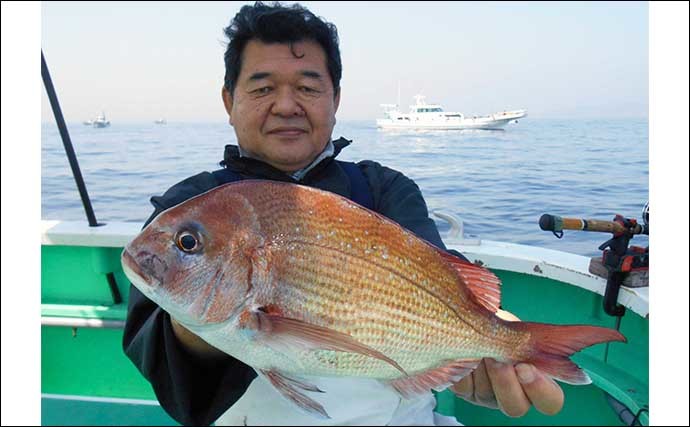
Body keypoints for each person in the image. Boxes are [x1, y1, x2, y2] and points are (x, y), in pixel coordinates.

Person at [123, 2, 564, 425]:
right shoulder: (190, 205)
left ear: (335, 99)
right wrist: (218, 314)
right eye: (261, 88)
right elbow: (172, 383)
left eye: (308, 87)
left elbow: (442, 282)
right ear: (228, 101)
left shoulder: (383, 189)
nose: (285, 105)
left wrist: (484, 348)